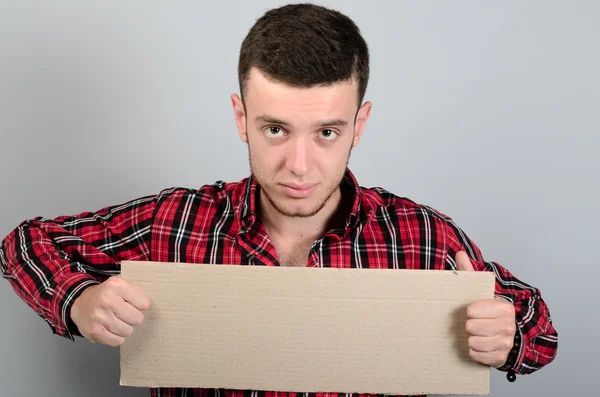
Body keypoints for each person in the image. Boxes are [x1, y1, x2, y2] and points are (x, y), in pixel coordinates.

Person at [0, 3, 557, 397]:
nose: (298, 165)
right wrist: (78, 301)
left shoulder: (424, 240)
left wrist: (509, 337)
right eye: (274, 129)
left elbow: (540, 331)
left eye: (327, 133)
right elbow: (23, 244)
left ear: (360, 124)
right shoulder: (173, 223)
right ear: (241, 117)